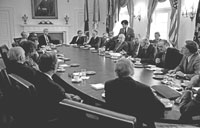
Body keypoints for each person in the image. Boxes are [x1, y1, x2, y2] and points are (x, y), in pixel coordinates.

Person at [105, 58, 165, 128]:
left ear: (116, 71)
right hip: (136, 123)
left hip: (115, 122)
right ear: (132, 70)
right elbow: (160, 110)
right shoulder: (144, 89)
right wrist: (153, 96)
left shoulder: (109, 85)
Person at [34, 52, 81, 123]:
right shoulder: (56, 88)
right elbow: (68, 104)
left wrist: (65, 94)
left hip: (39, 111)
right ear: (54, 66)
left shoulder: (36, 76)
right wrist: (80, 101)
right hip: (53, 117)